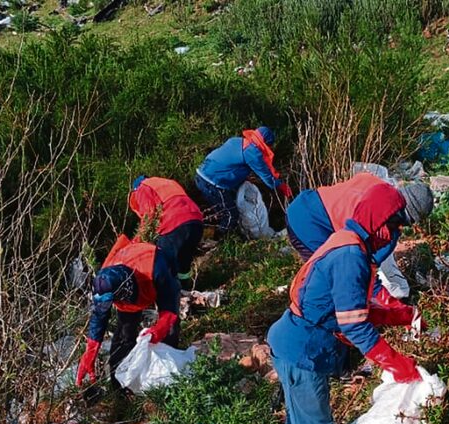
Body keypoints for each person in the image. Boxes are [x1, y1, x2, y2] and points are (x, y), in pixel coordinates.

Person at [266, 184, 423, 424]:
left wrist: (399, 315)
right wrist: (397, 365)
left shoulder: (347, 242)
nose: (395, 234)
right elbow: (354, 327)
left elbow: (351, 309)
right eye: (396, 226)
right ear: (381, 222)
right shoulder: (350, 256)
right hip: (303, 352)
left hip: (294, 340)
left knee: (298, 421)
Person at [76, 236, 181, 389]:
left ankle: (166, 378)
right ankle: (119, 385)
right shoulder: (103, 281)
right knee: (124, 333)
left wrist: (159, 329)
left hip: (154, 275)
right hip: (129, 292)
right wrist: (90, 352)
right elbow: (99, 316)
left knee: (170, 329)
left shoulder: (156, 267)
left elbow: (170, 304)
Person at [285, 172, 434, 261]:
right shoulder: (384, 231)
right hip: (309, 226)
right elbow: (365, 266)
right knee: (328, 279)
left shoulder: (374, 182)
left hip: (301, 203)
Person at [194, 126, 292, 236]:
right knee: (231, 214)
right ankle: (217, 241)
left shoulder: (237, 141)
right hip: (212, 183)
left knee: (221, 208)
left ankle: (209, 232)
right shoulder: (252, 152)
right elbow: (268, 179)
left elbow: (229, 163)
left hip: (201, 174)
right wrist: (281, 186)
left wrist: (242, 176)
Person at [128, 175, 205, 280]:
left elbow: (148, 217)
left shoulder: (143, 188)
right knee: (183, 263)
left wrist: (136, 244)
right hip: (196, 220)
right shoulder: (167, 183)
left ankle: (169, 293)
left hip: (174, 224)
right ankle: (186, 289)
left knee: (162, 263)